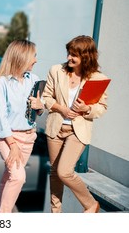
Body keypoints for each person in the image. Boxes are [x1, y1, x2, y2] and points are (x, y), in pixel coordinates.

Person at [42, 35, 108, 213]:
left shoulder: (98, 78)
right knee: (55, 174)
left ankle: (91, 204)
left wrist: (87, 108)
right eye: (69, 53)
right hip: (56, 127)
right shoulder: (56, 71)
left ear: (86, 57)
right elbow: (46, 97)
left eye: (74, 55)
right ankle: (56, 214)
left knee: (64, 172)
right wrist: (62, 109)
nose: (69, 58)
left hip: (77, 131)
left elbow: (101, 108)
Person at [0, 39, 44, 213]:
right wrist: (12, 145)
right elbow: (1, 117)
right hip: (8, 138)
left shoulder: (34, 80)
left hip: (29, 137)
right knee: (18, 177)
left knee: (8, 178)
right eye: (33, 56)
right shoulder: (2, 82)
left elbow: (36, 111)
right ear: (21, 57)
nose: (36, 60)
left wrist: (40, 107)